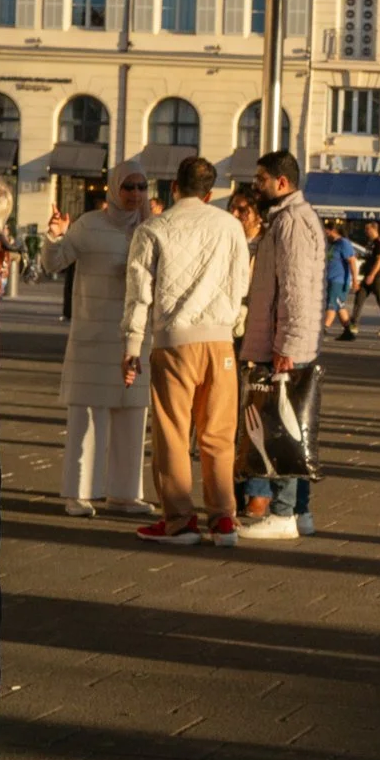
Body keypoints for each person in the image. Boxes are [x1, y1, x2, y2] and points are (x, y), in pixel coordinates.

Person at [121, 154, 252, 546]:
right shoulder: (231, 227)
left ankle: (179, 521)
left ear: (174, 187)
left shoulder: (153, 228)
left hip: (173, 342)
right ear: (210, 193)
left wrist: (131, 346)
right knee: (218, 434)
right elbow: (240, 282)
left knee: (173, 433)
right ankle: (223, 518)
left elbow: (138, 294)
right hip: (220, 342)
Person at [41, 165, 157, 517]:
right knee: (86, 418)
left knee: (133, 416)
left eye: (140, 186)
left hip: (136, 338)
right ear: (112, 188)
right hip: (93, 336)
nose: (134, 193)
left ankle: (124, 493)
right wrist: (56, 236)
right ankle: (78, 492)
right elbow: (53, 264)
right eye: (127, 186)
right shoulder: (89, 225)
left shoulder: (151, 228)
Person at [238, 152, 326, 541]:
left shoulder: (290, 222)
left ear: (282, 183)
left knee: (280, 426)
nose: (256, 186)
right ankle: (300, 512)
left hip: (283, 343)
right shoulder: (292, 218)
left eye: (262, 179)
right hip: (288, 340)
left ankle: (283, 512)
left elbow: (293, 289)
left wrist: (285, 344)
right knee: (292, 425)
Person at [352, 217, 380, 335]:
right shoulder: (370, 243)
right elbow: (370, 258)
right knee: (359, 299)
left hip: (378, 277)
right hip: (367, 275)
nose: (365, 231)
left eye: (367, 229)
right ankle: (354, 324)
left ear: (373, 229)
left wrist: (372, 274)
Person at [324, 219, 361, 339]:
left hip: (338, 280)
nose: (325, 234)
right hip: (331, 279)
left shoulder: (343, 243)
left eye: (326, 231)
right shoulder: (333, 244)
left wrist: (354, 280)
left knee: (332, 305)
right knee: (340, 306)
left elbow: (352, 261)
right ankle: (348, 332)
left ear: (333, 230)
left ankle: (324, 329)